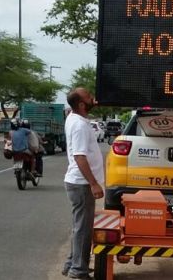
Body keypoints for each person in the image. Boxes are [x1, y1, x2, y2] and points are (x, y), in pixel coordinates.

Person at [62, 87, 104, 280]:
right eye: (89, 97)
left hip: (78, 182)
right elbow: (80, 156)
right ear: (81, 104)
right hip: (81, 184)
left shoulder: (76, 118)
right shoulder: (78, 125)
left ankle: (72, 263)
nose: (92, 98)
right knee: (83, 229)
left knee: (79, 226)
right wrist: (93, 183)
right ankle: (78, 270)